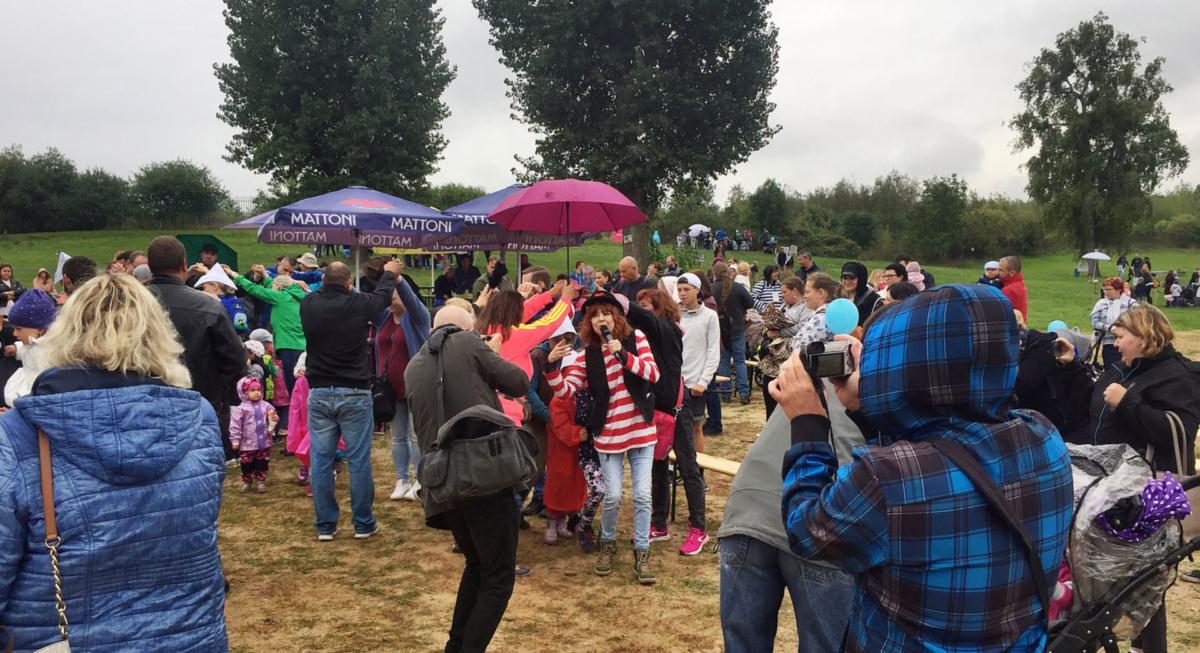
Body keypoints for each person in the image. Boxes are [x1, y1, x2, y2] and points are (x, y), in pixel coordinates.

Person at [775, 284, 1073, 651]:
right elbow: (943, 448)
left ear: (897, 367)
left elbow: (807, 531)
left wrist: (808, 422)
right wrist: (867, 406)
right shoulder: (1043, 436)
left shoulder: (886, 479)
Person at [0, 272, 227, 650]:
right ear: (157, 334)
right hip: (189, 636)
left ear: (65, 333)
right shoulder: (198, 418)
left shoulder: (16, 436)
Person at [406, 305, 530, 653]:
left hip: (443, 484)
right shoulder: (466, 342)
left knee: (477, 566)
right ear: (464, 329)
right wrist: (492, 353)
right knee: (498, 579)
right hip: (483, 476)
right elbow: (519, 382)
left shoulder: (414, 365)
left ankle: (456, 647)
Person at [1085, 304, 1198, 649]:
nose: (1116, 344)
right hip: (1112, 488)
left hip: (1147, 496)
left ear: (1144, 336)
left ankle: (1149, 647)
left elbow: (1178, 432)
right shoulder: (1123, 368)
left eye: (1121, 336)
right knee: (1116, 576)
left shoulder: (1174, 376)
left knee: (1144, 578)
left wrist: (1128, 402)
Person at [544, 291, 660, 584]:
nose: (600, 320)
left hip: (640, 431)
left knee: (642, 495)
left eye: (605, 313)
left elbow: (653, 374)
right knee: (613, 496)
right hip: (608, 434)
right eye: (594, 315)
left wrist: (624, 355)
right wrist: (551, 367)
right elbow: (566, 390)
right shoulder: (587, 355)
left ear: (616, 316)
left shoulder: (637, 339)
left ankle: (642, 552)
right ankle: (607, 544)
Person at [300, 260, 402, 541]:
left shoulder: (308, 304)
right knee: (358, 460)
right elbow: (382, 296)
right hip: (354, 391)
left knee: (321, 460)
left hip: (320, 390)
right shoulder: (358, 304)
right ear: (348, 283)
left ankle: (325, 525)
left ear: (323, 280)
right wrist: (389, 273)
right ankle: (363, 523)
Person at [146, 237, 245, 459]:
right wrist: (219, 395)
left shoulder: (127, 305)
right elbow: (236, 359)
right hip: (200, 403)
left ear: (150, 266)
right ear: (184, 264)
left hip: (146, 406)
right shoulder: (207, 305)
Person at [635, 287, 709, 555]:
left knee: (688, 468)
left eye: (646, 305)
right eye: (639, 304)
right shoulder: (644, 336)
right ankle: (659, 524)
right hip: (656, 409)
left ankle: (699, 529)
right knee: (657, 466)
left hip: (678, 409)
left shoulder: (668, 330)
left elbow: (644, 320)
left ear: (660, 308)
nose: (641, 310)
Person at [379, 278, 431, 501]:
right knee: (398, 436)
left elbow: (410, 299)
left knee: (416, 435)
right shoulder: (384, 317)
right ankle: (401, 479)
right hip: (391, 388)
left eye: (395, 296)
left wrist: (398, 280)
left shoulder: (418, 317)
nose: (391, 300)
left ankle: (420, 480)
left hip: (415, 386)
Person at [227, 264, 306, 395]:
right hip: (302, 346)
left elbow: (255, 289)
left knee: (293, 388)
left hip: (289, 346)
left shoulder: (281, 297)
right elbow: (272, 287)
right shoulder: (297, 296)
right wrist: (264, 274)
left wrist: (233, 274)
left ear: (279, 288)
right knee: (302, 385)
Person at [673, 271, 720, 491]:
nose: (682, 294)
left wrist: (703, 381)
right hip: (675, 381)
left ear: (697, 290)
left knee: (695, 427)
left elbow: (713, 351)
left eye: (686, 289)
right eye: (679, 290)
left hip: (695, 383)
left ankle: (698, 474)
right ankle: (674, 468)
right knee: (671, 428)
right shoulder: (674, 314)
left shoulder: (709, 316)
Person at [2, 290, 56, 407]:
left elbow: (45, 391)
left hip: (33, 398)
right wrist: (17, 349)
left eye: (18, 329)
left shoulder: (50, 353)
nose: (14, 334)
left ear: (40, 328)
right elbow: (29, 349)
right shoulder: (35, 341)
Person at [711, 261, 754, 405]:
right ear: (728, 272)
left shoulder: (711, 289)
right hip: (736, 327)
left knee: (723, 361)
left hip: (719, 329)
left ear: (714, 273)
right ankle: (743, 393)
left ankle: (725, 393)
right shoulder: (737, 287)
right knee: (739, 361)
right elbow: (750, 303)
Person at [229, 376, 279, 493]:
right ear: (244, 392)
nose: (257, 393)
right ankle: (247, 481)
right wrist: (235, 440)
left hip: (264, 442)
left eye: (259, 390)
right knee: (246, 464)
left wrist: (275, 418)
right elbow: (235, 425)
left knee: (262, 463)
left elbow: (273, 416)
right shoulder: (241, 409)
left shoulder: (266, 405)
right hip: (247, 444)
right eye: (252, 390)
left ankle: (260, 481)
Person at [1091, 276, 1138, 369]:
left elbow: (1138, 321)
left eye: (1109, 289)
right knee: (1111, 370)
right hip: (1109, 344)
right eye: (1104, 289)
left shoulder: (1131, 303)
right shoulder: (1101, 304)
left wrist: (1122, 330)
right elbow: (1095, 322)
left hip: (1128, 344)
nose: (1106, 292)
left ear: (1118, 290)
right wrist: (1109, 328)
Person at [792, 272, 841, 352]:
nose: (804, 296)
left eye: (807, 292)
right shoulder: (828, 313)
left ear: (821, 293)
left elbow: (802, 350)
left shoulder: (821, 319)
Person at [839, 262, 879, 327]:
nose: (847, 282)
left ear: (861, 279)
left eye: (852, 278)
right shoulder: (837, 296)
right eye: (845, 278)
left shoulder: (873, 300)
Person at [999, 254, 1028, 322]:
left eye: (1001, 270)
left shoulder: (1008, 290)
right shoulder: (1018, 284)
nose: (998, 272)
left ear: (1011, 273)